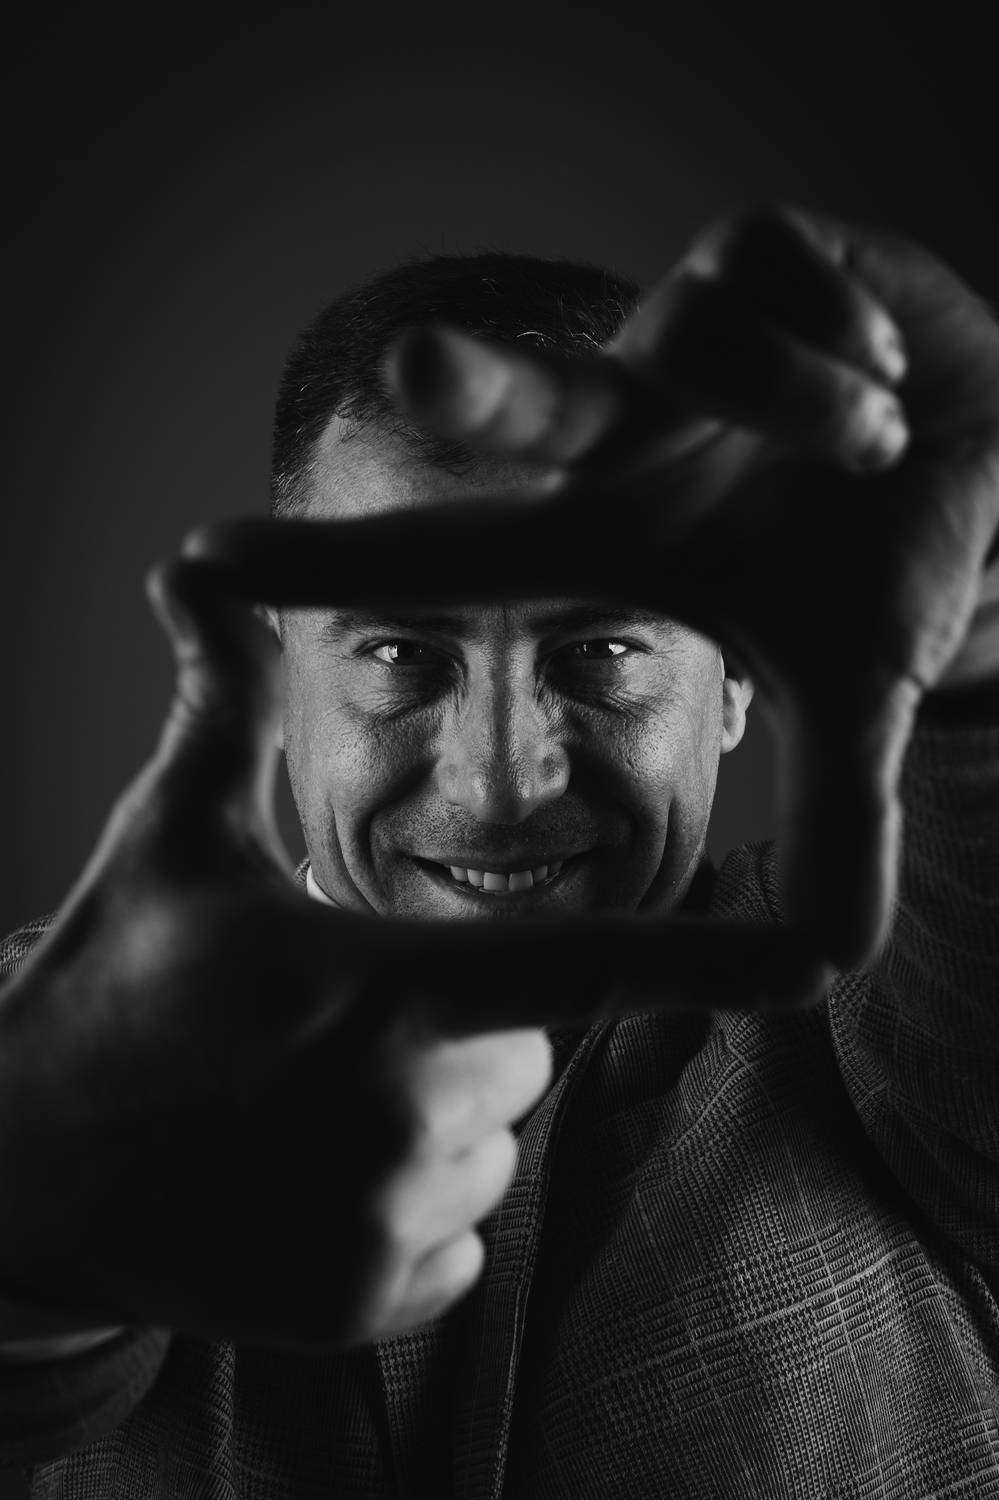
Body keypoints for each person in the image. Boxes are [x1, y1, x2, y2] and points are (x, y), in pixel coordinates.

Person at [0, 204, 996, 1497]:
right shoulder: (41, 1037)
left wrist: (984, 617)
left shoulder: (886, 1004)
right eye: (400, 654)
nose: (502, 782)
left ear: (741, 669)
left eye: (603, 652)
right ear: (279, 670)